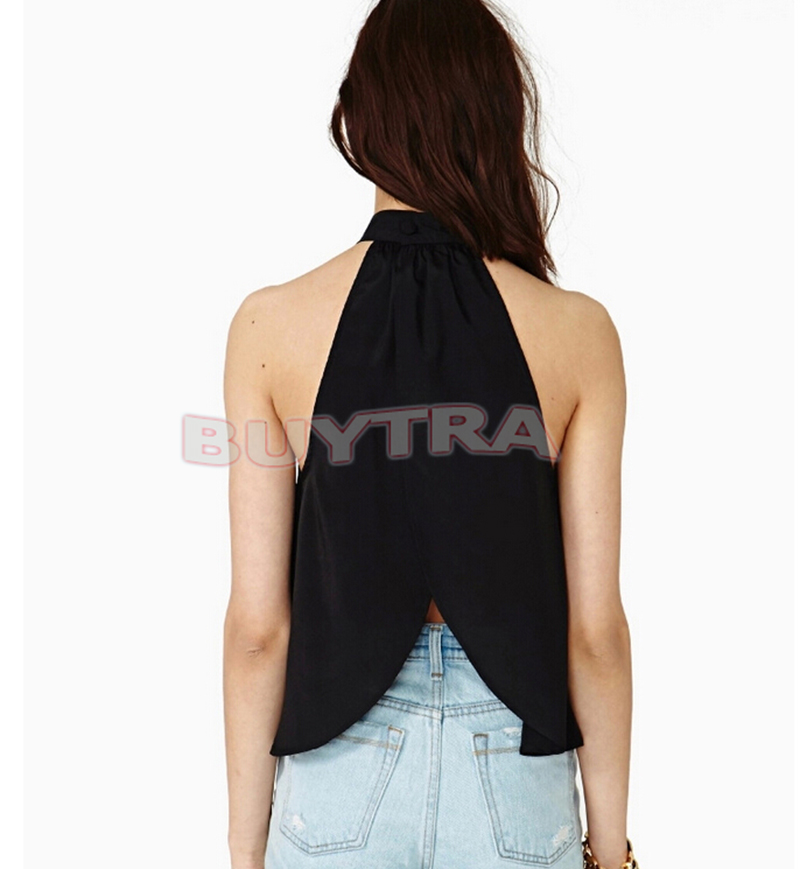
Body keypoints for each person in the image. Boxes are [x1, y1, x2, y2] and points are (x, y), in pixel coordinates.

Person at [222, 1, 636, 868]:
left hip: (337, 775)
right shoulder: (578, 334)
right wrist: (611, 850)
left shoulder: (270, 327)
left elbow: (260, 627)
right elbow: (594, 632)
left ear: (361, 117)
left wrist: (244, 851)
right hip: (514, 774)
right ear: (496, 116)